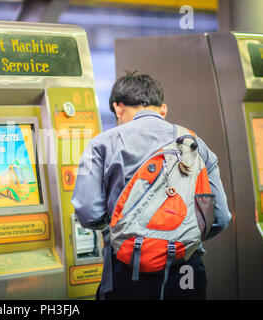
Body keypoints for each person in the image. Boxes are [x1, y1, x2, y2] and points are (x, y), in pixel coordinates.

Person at [71, 71, 231, 300]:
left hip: (128, 270)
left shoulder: (102, 144)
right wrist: (181, 236)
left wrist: (127, 230)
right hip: (187, 270)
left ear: (118, 108)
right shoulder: (196, 144)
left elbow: (88, 213)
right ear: (163, 110)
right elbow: (221, 216)